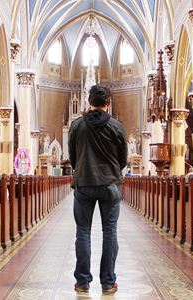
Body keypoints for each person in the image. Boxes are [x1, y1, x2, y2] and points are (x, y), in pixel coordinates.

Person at [69, 84, 127, 294]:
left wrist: (83, 170)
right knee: (109, 232)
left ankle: (83, 281)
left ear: (88, 102)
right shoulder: (116, 126)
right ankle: (108, 282)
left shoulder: (77, 126)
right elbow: (123, 159)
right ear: (109, 103)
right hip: (110, 185)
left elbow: (73, 157)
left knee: (83, 232)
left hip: (84, 184)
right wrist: (111, 172)